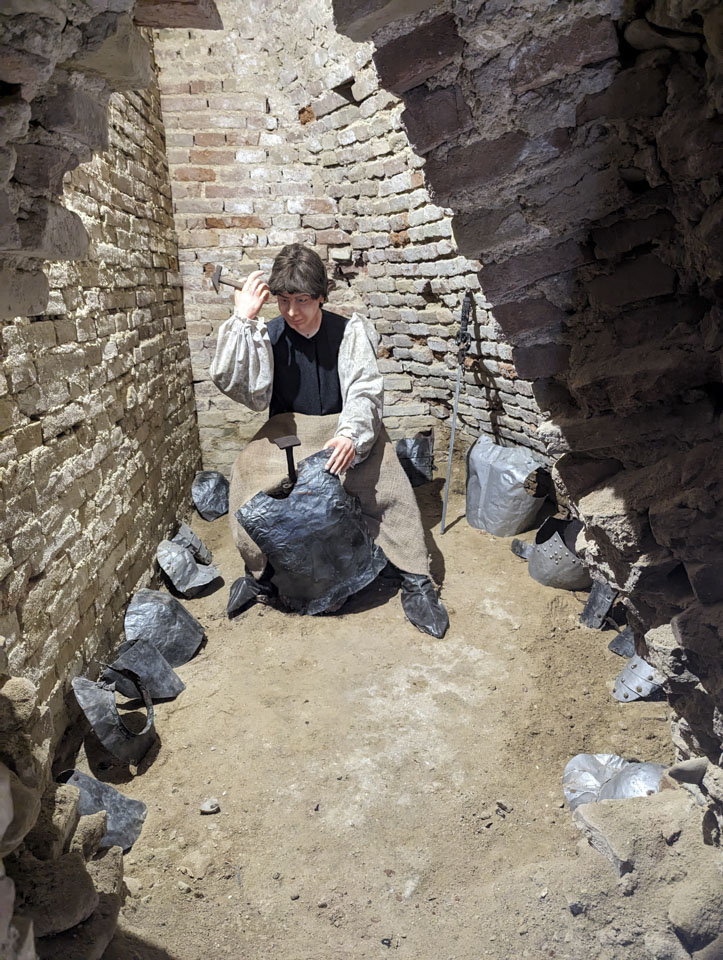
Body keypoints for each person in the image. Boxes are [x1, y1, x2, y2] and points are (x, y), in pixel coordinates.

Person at [210, 243, 448, 638]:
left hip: (344, 426)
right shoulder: (265, 334)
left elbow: (365, 391)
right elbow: (243, 390)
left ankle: (415, 577)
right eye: (283, 300)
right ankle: (262, 574)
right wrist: (242, 318)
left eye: (302, 300)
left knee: (388, 480)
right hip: (287, 429)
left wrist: (351, 436)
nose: (292, 311)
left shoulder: (348, 331)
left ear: (321, 295)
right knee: (246, 475)